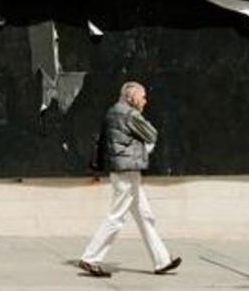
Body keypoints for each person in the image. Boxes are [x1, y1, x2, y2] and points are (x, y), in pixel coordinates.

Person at [78, 81, 182, 278]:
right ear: (130, 97)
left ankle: (162, 261)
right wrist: (144, 144)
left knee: (145, 216)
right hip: (127, 171)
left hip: (122, 171)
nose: (145, 100)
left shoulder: (113, 111)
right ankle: (90, 258)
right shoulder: (129, 113)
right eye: (141, 96)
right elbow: (152, 133)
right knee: (116, 216)